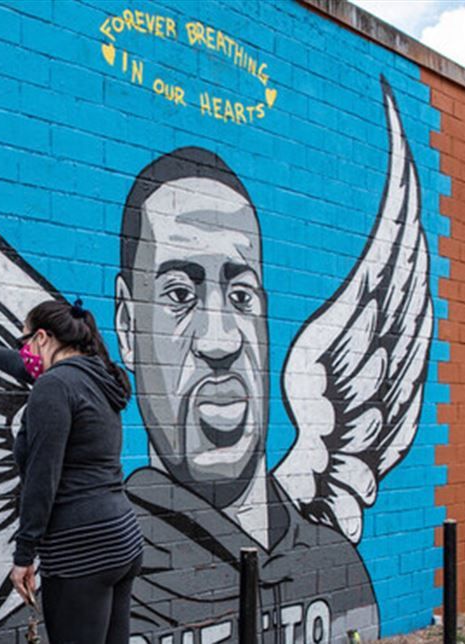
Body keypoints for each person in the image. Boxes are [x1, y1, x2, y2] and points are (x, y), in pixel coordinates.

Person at [113, 147, 378, 641]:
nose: (221, 341)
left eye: (241, 297)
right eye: (179, 295)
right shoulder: (110, 581)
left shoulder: (338, 569)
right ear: (128, 328)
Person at [0, 297, 141, 644]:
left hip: (81, 549)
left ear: (42, 337)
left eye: (24, 341)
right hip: (121, 539)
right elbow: (25, 367)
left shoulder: (55, 386)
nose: (23, 352)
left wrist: (24, 555)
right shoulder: (96, 375)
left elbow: (43, 478)